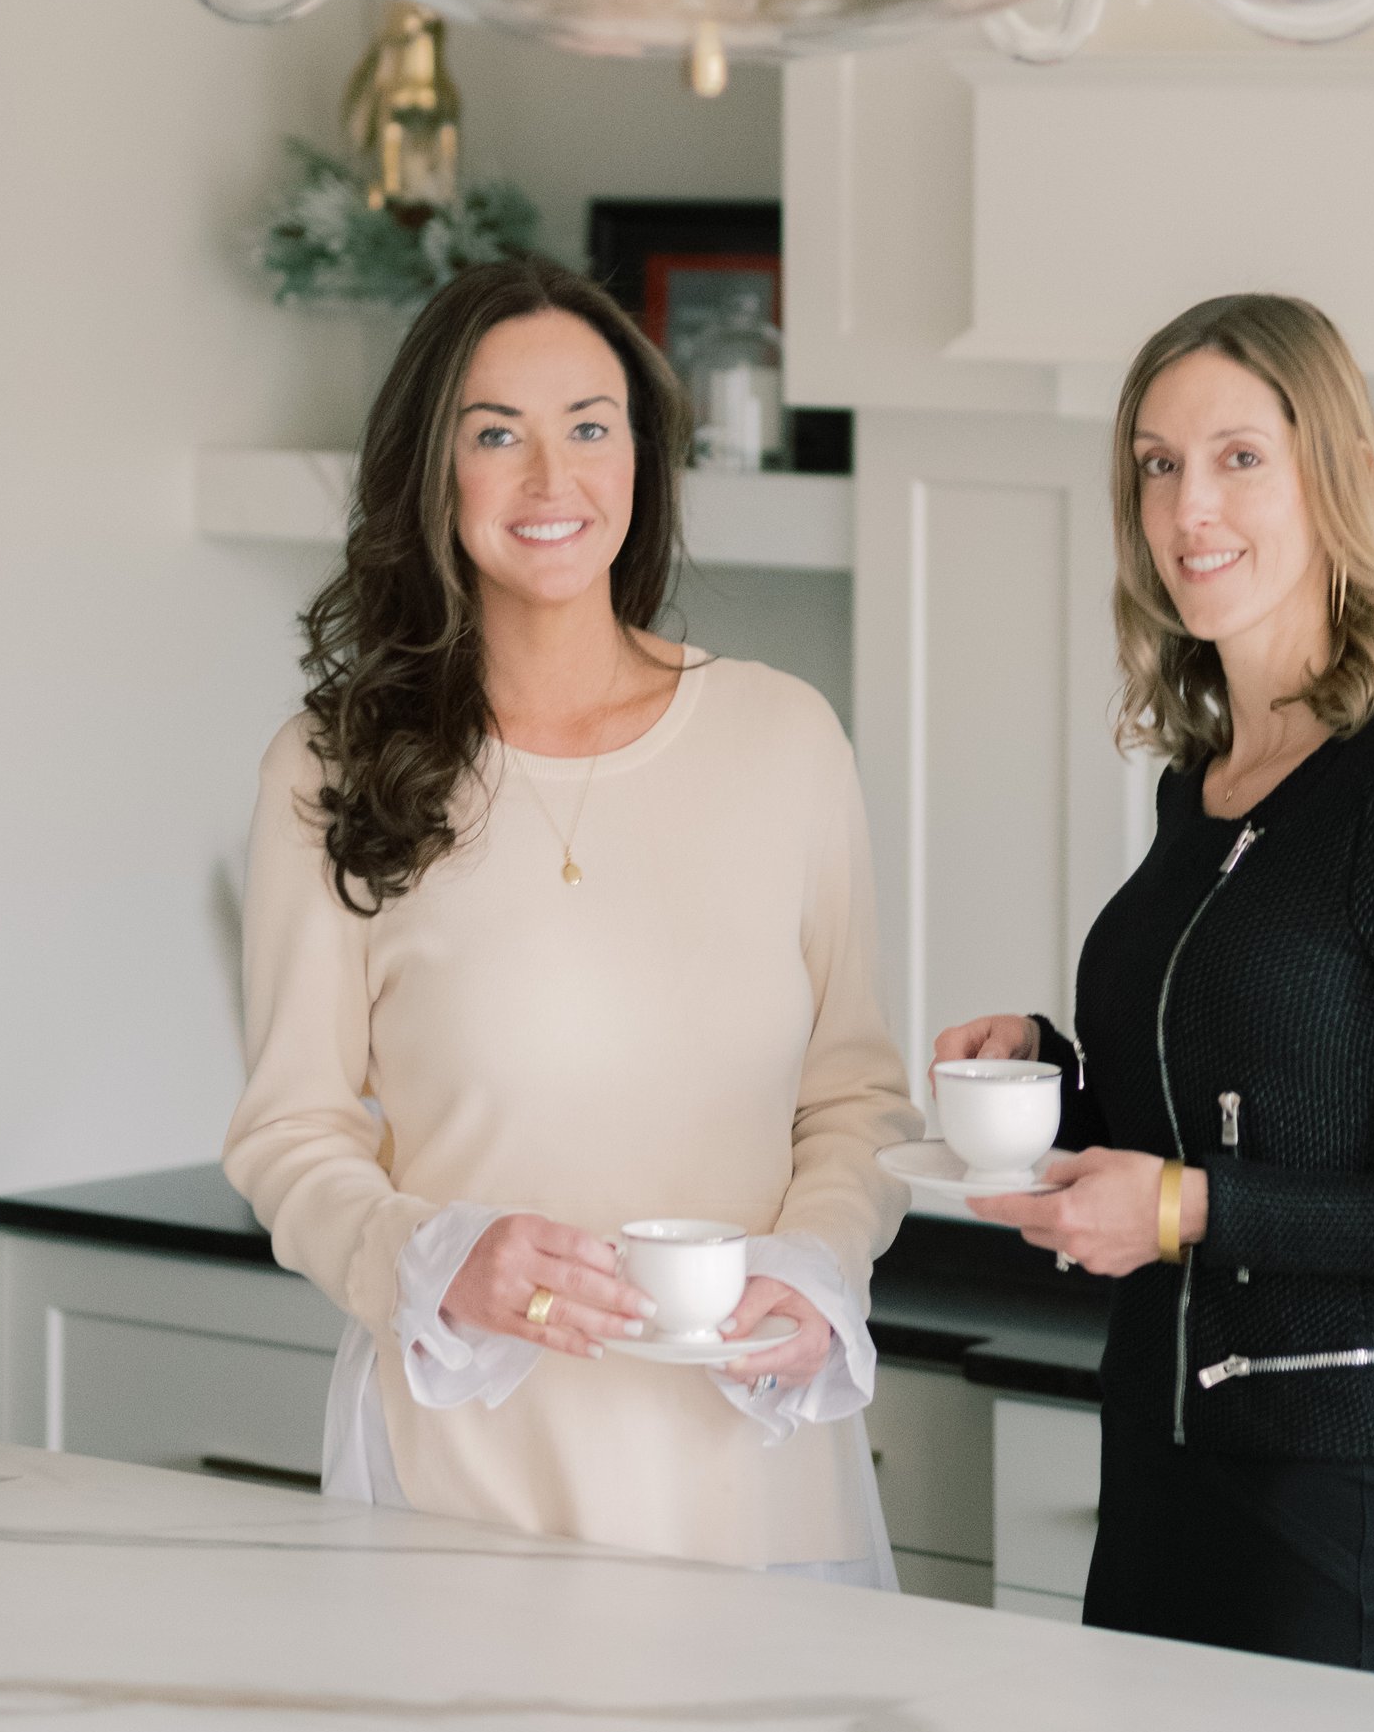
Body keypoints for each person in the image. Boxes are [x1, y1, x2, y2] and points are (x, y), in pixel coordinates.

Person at [935, 291, 1374, 1681]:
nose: (1190, 507)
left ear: (1334, 472)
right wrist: (1051, 1075)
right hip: (1158, 1479)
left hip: (1332, 1521)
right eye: (1157, 463)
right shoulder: (1204, 785)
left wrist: (1190, 1207)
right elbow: (1244, 1092)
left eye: (1239, 455)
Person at [225, 254, 915, 1583]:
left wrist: (820, 1270)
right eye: (498, 435)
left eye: (590, 428)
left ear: (643, 461)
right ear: (434, 472)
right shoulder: (329, 767)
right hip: (468, 1482)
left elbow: (857, 1102)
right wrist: (431, 1259)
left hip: (751, 1473)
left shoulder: (785, 740)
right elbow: (289, 1133)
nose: (553, 481)